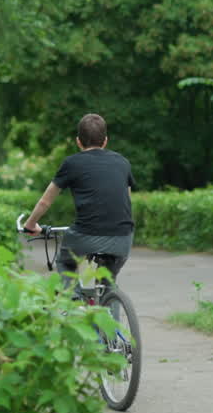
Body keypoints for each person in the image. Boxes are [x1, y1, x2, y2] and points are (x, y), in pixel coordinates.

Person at [22, 113, 136, 288]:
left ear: (78, 141)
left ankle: (73, 299)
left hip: (85, 236)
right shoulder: (123, 163)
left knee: (65, 262)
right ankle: (109, 299)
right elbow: (127, 201)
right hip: (123, 238)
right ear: (105, 141)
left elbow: (45, 202)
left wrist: (30, 225)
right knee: (107, 282)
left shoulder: (71, 163)